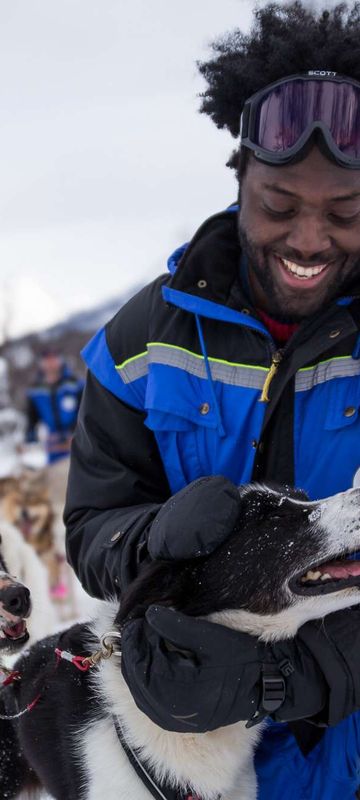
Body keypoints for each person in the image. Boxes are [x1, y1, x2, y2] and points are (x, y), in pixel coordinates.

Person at [64, 3, 360, 797]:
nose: (307, 240)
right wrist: (151, 535)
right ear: (240, 181)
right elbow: (93, 527)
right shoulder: (142, 338)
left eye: (345, 212)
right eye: (280, 204)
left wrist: (287, 680)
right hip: (188, 760)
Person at [26, 349, 83, 466]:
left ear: (60, 360)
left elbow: (86, 409)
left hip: (78, 439)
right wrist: (31, 439)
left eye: (53, 359)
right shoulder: (35, 390)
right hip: (52, 444)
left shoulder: (75, 384)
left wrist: (76, 431)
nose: (51, 363)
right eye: (47, 360)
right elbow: (32, 419)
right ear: (41, 363)